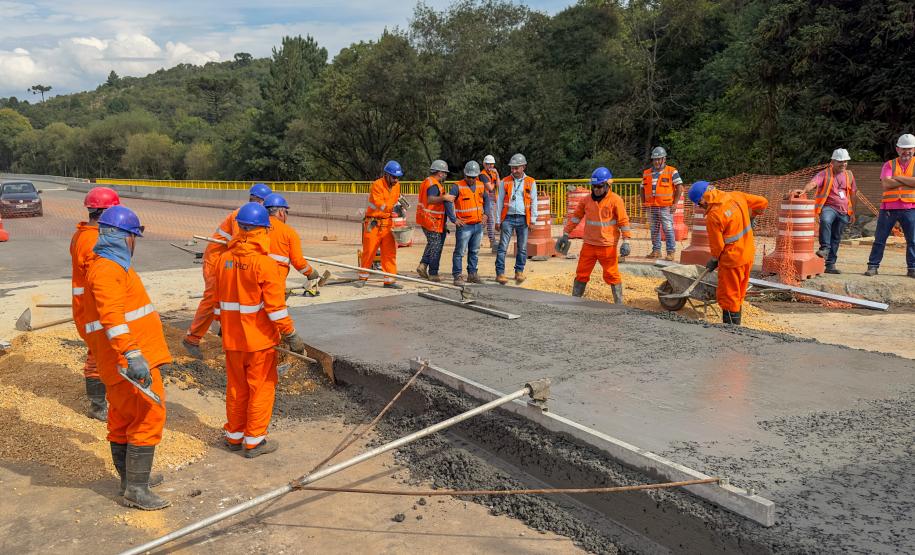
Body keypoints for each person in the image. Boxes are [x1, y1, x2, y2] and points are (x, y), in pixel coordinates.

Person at [82, 205, 172, 510]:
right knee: (149, 415)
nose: (134, 244)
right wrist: (133, 355)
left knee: (122, 418)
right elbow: (113, 318)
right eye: (134, 237)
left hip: (118, 360)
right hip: (129, 361)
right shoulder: (108, 269)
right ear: (124, 237)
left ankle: (131, 481)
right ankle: (136, 489)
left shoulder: (107, 266)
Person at [214, 202, 306, 457]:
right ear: (263, 230)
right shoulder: (265, 265)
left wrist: (221, 326)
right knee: (261, 389)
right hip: (259, 342)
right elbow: (276, 310)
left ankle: (234, 436)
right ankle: (254, 441)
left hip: (232, 340)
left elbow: (217, 301)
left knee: (236, 388)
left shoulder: (223, 260)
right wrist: (291, 335)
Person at [183, 183, 272, 358]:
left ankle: (226, 332)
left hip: (229, 260)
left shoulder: (252, 214)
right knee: (213, 298)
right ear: (260, 201)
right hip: (217, 261)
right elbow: (243, 243)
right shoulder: (243, 216)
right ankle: (192, 339)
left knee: (233, 296)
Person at [70, 186, 120, 421]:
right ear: (107, 213)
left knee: (100, 352)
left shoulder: (82, 234)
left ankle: (103, 399)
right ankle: (98, 406)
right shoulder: (93, 241)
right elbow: (100, 280)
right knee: (97, 354)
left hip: (86, 305)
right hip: (93, 307)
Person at [688, 181, 768, 325]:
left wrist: (714, 260)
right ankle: (736, 328)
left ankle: (731, 331)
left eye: (699, 204)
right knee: (739, 294)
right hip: (748, 254)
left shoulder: (714, 215)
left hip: (732, 260)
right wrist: (753, 216)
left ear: (703, 199)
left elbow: (717, 246)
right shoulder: (737, 196)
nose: (700, 207)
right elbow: (763, 202)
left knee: (729, 297)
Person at [556, 167, 632, 304]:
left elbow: (623, 221)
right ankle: (575, 302)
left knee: (612, 275)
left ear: (607, 185)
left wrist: (626, 241)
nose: (596, 189)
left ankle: (619, 304)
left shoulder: (615, 200)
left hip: (607, 245)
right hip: (589, 245)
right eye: (594, 186)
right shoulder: (586, 200)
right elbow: (575, 217)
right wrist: (566, 234)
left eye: (599, 186)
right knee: (581, 273)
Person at [790, 149, 856, 274]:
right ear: (832, 162)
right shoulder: (824, 174)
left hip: (844, 211)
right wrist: (804, 190)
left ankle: (830, 265)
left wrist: (853, 212)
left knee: (836, 238)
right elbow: (813, 183)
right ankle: (825, 248)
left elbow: (853, 193)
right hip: (829, 207)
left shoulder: (849, 175)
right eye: (840, 161)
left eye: (845, 161)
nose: (843, 164)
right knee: (825, 220)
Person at [865, 133, 915, 277]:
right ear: (897, 149)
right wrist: (909, 180)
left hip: (910, 208)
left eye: (909, 149)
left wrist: (897, 178)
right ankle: (873, 266)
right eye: (903, 149)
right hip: (888, 209)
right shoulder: (889, 164)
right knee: (880, 239)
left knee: (913, 241)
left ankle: (912, 269)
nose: (906, 152)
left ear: (914, 149)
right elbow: (886, 184)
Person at [356, 161, 404, 288]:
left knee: (390, 253)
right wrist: (392, 208)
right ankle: (362, 278)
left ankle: (389, 281)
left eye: (398, 177)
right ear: (386, 175)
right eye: (394, 177)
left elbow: (396, 199)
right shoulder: (377, 185)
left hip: (387, 223)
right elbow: (379, 204)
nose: (396, 180)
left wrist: (400, 207)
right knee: (369, 252)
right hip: (373, 223)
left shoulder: (397, 185)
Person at [495, 153, 538, 284]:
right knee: (503, 247)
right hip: (507, 218)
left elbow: (534, 202)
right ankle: (500, 273)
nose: (513, 170)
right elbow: (499, 202)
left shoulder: (531, 182)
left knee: (522, 248)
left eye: (516, 168)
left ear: (523, 167)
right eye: (512, 168)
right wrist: (498, 220)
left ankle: (519, 271)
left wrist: (533, 220)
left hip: (523, 219)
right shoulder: (505, 182)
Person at [263, 193, 321, 287]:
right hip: (275, 279)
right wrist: (310, 273)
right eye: (286, 212)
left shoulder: (254, 227)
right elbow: (298, 261)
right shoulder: (289, 232)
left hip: (252, 275)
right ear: (281, 212)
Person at [446, 161, 486, 286]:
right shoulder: (457, 186)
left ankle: (472, 274)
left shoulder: (481, 185)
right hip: (464, 226)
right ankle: (457, 275)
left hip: (478, 225)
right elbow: (448, 201)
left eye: (473, 177)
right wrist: (454, 219)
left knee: (474, 251)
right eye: (469, 177)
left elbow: (487, 200)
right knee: (460, 252)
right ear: (465, 174)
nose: (471, 179)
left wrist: (486, 214)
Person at [641, 147, 684, 261]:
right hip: (651, 206)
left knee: (668, 228)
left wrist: (675, 203)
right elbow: (642, 189)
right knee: (654, 229)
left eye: (659, 159)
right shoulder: (646, 173)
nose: (656, 162)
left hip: (665, 206)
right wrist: (644, 203)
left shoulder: (672, 171)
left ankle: (670, 252)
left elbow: (679, 187)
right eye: (655, 159)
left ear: (664, 159)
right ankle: (656, 251)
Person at [416, 160, 454, 282]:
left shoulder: (427, 181)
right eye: (445, 173)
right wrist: (445, 197)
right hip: (432, 220)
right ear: (440, 172)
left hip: (427, 219)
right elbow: (431, 199)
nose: (445, 175)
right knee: (436, 247)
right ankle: (433, 274)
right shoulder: (433, 184)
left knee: (432, 244)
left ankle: (423, 265)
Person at [481, 154, 500, 251]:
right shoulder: (483, 175)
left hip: (491, 200)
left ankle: (491, 241)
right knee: (488, 220)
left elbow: (498, 185)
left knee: (488, 221)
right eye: (488, 164)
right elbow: (490, 187)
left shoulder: (493, 174)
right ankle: (492, 241)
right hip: (485, 199)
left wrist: (497, 174)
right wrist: (494, 182)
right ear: (484, 164)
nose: (490, 166)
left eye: (492, 164)